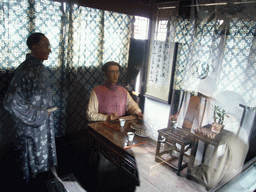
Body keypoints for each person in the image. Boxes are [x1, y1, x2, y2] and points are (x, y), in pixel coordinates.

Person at [3, 33, 57, 183]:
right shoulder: (25, 70)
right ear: (35, 47)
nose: (50, 50)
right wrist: (38, 114)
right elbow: (10, 102)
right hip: (30, 127)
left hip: (42, 123)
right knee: (31, 170)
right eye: (46, 46)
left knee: (43, 166)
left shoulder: (41, 68)